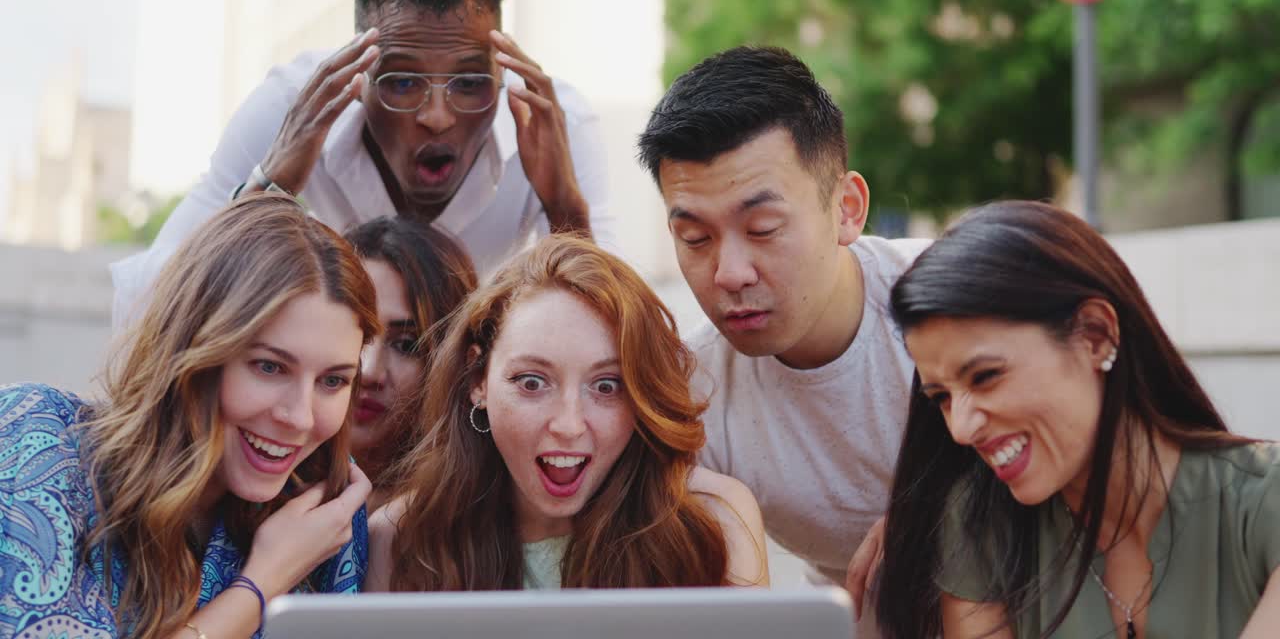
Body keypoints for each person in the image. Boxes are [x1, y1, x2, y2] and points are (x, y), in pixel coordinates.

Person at [111, 0, 617, 329]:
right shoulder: (296, 106)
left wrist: (566, 213)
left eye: (468, 83)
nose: (437, 117)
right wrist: (269, 189)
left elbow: (630, 345)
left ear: (502, 72)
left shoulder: (552, 121)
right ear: (360, 72)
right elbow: (145, 308)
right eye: (402, 82)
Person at [874, 200, 1280, 639]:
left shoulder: (1262, 504)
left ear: (1094, 334)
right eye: (942, 398)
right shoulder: (979, 524)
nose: (962, 429)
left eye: (986, 376)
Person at [0, 195, 376, 639]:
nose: (299, 417)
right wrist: (262, 584)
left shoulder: (322, 509)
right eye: (269, 367)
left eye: (332, 381)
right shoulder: (37, 440)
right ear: (193, 349)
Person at [637, 46, 926, 608]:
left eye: (763, 227)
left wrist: (949, 519)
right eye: (695, 239)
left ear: (846, 208)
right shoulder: (693, 394)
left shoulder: (952, 306)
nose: (730, 273)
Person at [366, 234, 768, 590]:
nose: (569, 424)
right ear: (478, 381)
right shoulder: (398, 540)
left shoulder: (713, 519)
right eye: (532, 383)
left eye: (606, 386)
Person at [344, 216, 477, 511]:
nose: (369, 371)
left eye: (406, 345)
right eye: (355, 334)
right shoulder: (254, 485)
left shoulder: (466, 521)